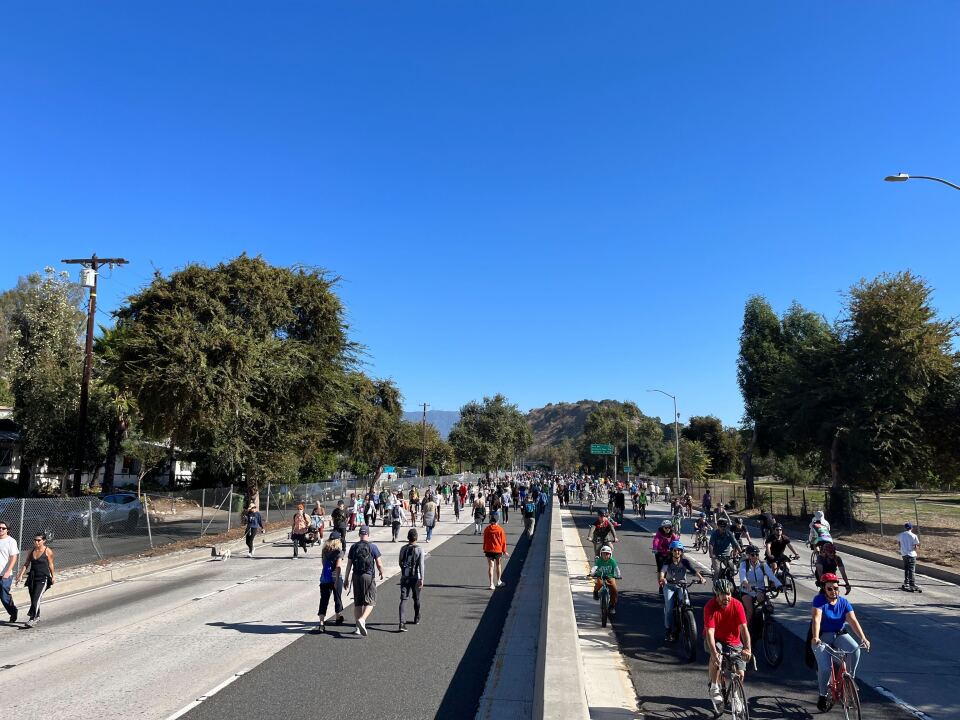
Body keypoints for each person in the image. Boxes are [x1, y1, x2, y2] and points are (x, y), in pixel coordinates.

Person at [810, 573, 871, 711]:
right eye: (829, 588)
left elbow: (853, 621)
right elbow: (816, 618)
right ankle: (823, 694)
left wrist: (863, 638)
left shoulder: (844, 602)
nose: (834, 591)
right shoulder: (819, 600)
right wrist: (815, 637)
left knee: (855, 649)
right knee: (825, 668)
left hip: (839, 634)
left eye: (836, 588)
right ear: (824, 589)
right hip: (822, 637)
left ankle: (849, 682)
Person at [704, 578, 751, 707]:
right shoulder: (710, 607)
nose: (727, 599)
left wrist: (747, 648)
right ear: (717, 596)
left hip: (734, 641)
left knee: (740, 673)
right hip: (717, 639)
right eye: (723, 597)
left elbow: (744, 629)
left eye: (729, 595)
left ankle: (735, 695)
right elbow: (710, 633)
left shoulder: (737, 605)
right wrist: (713, 653)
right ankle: (714, 687)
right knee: (717, 657)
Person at [658, 540, 704, 641]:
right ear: (671, 551)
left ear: (682, 552)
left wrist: (701, 578)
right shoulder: (668, 560)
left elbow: (693, 570)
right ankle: (668, 630)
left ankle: (687, 619)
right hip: (669, 586)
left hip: (682, 586)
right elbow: (663, 571)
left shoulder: (685, 562)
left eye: (679, 550)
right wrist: (662, 578)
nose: (677, 552)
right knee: (669, 608)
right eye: (675, 550)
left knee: (686, 603)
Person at [343, 526, 385, 636]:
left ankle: (357, 628)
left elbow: (349, 565)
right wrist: (381, 571)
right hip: (368, 576)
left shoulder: (354, 547)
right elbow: (379, 563)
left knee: (358, 602)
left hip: (356, 576)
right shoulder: (373, 547)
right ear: (368, 534)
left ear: (359, 535)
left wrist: (346, 578)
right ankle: (362, 619)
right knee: (370, 601)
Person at [15, 532, 55, 627]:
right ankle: (37, 616)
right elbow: (26, 563)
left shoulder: (47, 551)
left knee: (36, 598)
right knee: (34, 598)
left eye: (39, 540)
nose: (36, 542)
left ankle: (32, 618)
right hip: (32, 577)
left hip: (43, 577)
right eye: (35, 540)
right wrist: (20, 575)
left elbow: (51, 564)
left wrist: (53, 576)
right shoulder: (31, 551)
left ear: (44, 541)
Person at [738, 545, 781, 625]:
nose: (755, 556)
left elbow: (771, 576)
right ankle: (744, 630)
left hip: (759, 590)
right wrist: (747, 585)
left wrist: (779, 585)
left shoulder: (762, 565)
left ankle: (766, 624)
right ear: (748, 555)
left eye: (757, 554)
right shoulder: (744, 564)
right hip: (747, 590)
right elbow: (742, 577)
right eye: (752, 555)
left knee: (766, 606)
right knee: (750, 611)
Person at [317, 531, 345, 631]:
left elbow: (323, 564)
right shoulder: (338, 551)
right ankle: (338, 617)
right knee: (337, 598)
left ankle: (321, 623)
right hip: (334, 577)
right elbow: (338, 566)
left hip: (325, 577)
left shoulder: (324, 550)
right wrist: (337, 580)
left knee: (323, 600)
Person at [398, 528, 425, 631]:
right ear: (416, 538)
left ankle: (401, 622)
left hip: (405, 577)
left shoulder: (403, 548)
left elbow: (400, 562)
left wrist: (404, 570)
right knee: (416, 598)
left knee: (403, 599)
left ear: (408, 538)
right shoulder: (419, 549)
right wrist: (422, 578)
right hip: (415, 577)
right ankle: (417, 616)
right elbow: (421, 565)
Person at [591, 545, 622, 616]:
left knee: (614, 590)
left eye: (607, 554)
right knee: (599, 583)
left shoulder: (612, 561)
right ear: (601, 554)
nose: (605, 555)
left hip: (610, 576)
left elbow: (616, 569)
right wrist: (592, 573)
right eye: (604, 553)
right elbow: (595, 567)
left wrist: (618, 575)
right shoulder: (599, 561)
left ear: (610, 554)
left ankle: (612, 606)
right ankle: (595, 592)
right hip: (600, 575)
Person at [482, 515, 509, 590]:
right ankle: (499, 581)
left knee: (491, 566)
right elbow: (503, 541)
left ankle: (491, 584)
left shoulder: (487, 529)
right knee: (498, 566)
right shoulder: (500, 529)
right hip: (498, 550)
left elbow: (485, 539)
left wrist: (484, 547)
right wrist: (505, 551)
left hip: (489, 550)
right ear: (497, 521)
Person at [0, 520, 19, 623]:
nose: (1, 530)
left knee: (3, 594)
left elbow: (13, 557)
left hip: (5, 574)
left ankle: (13, 611)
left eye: (3, 528)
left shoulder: (11, 541)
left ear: (7, 530)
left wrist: (8, 571)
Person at [897, 522, 921, 592]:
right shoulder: (913, 535)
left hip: (904, 554)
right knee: (911, 569)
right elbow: (916, 546)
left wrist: (902, 549)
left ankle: (906, 582)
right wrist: (915, 549)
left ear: (905, 528)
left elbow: (899, 543)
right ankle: (912, 584)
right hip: (911, 554)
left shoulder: (901, 535)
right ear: (911, 528)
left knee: (906, 568)